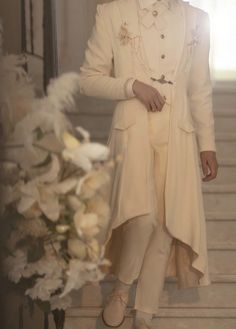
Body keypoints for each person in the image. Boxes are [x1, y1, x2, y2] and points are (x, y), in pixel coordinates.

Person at [78, 0, 218, 328]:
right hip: (133, 128)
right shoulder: (112, 12)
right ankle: (122, 289)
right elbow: (88, 79)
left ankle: (145, 312)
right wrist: (132, 86)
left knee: (168, 223)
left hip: (179, 131)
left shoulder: (197, 19)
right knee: (142, 216)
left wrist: (207, 144)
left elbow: (200, 88)